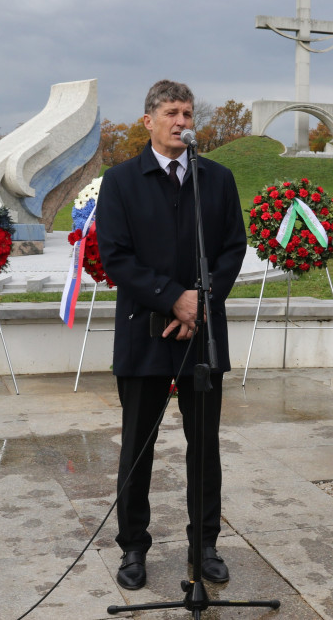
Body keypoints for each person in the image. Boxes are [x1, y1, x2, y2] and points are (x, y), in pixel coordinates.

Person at [96, 79, 247, 590]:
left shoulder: (217, 179)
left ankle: (204, 545)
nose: (183, 122)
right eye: (172, 113)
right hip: (145, 335)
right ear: (149, 121)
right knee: (138, 444)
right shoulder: (120, 181)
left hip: (201, 337)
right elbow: (116, 257)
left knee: (204, 447)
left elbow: (232, 247)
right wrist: (172, 297)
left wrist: (199, 303)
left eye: (188, 113)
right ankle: (133, 548)